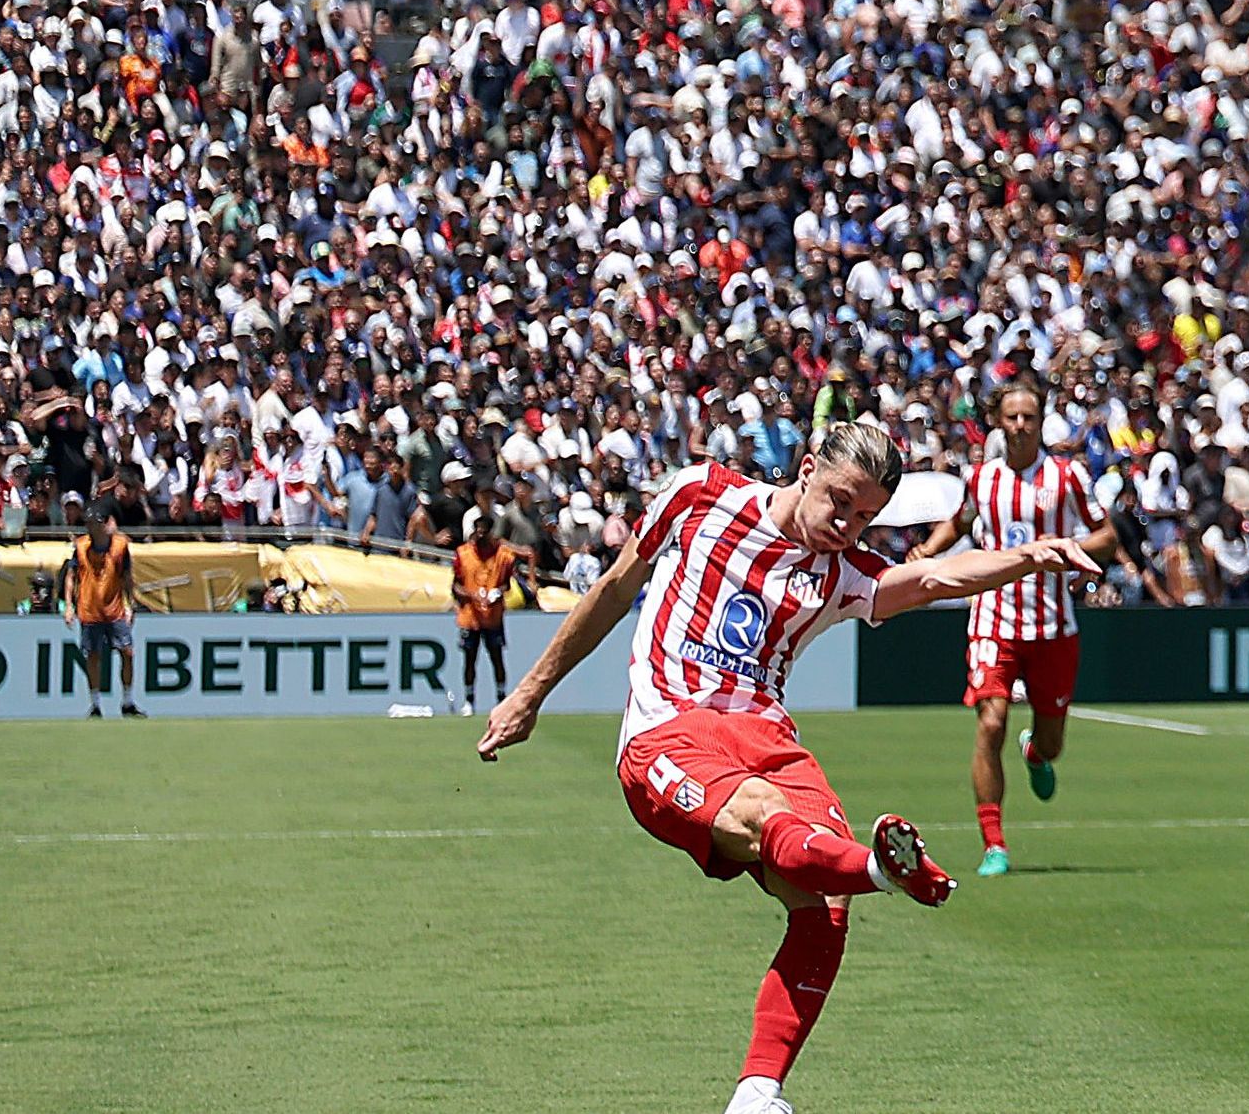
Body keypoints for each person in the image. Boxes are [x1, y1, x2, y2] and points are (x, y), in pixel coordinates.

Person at [477, 419, 1097, 1114]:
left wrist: (1031, 555)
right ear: (805, 469)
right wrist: (529, 694)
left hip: (767, 735)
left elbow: (933, 574)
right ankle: (880, 869)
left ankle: (758, 1092)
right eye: (840, 499)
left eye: (866, 515)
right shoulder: (699, 493)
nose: (847, 524)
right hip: (670, 731)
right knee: (770, 821)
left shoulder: (843, 574)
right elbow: (616, 588)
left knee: (823, 906)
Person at [956, 379, 1117, 875]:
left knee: (1052, 744)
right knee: (991, 722)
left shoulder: (1066, 477)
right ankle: (994, 844)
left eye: (1029, 417)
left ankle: (1035, 753)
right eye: (1012, 418)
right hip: (993, 618)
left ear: (1041, 421)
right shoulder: (981, 479)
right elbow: (960, 522)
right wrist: (925, 549)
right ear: (998, 423)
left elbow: (1107, 537)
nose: (1021, 426)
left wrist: (1067, 552)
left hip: (1052, 627)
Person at [453, 509, 530, 712]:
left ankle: (501, 697)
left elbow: (507, 584)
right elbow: (455, 586)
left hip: (493, 617)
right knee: (470, 659)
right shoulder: (463, 554)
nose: (479, 536)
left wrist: (497, 592)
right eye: (477, 532)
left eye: (483, 533)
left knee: (497, 658)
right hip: (470, 617)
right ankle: (469, 700)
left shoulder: (503, 556)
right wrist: (472, 595)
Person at [70, 505, 141, 717]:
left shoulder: (120, 546)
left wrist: (131, 604)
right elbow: (71, 576)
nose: (91, 527)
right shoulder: (81, 546)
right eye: (88, 524)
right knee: (93, 656)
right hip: (89, 609)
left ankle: (127, 702)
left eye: (94, 523)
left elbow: (126, 577)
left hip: (115, 608)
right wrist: (68, 606)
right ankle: (95, 705)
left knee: (128, 653)